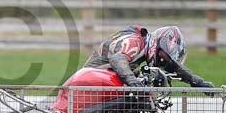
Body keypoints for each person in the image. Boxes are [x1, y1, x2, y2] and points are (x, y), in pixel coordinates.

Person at [84, 24, 213, 88]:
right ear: (158, 45)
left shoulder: (147, 46)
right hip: (93, 79)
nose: (163, 61)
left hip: (104, 79)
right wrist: (132, 81)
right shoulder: (136, 40)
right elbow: (117, 59)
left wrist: (198, 82)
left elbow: (174, 67)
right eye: (164, 56)